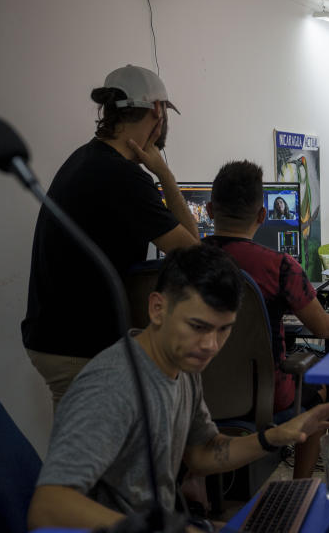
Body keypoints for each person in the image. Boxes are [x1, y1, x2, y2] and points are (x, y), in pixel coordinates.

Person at [28, 244, 329, 530]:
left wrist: (274, 437)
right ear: (157, 309)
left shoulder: (184, 365)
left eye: (223, 330)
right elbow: (48, 507)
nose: (210, 345)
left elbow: (202, 453)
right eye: (198, 326)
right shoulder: (111, 386)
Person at [22, 65, 200, 408]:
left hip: (54, 338)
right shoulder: (122, 177)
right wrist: (164, 173)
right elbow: (194, 253)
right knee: (98, 457)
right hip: (78, 347)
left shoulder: (85, 158)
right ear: (158, 112)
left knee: (87, 452)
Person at [205, 160, 329, 477]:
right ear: (262, 215)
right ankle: (300, 487)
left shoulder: (188, 260)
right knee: (321, 387)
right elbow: (324, 328)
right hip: (267, 396)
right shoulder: (281, 266)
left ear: (211, 210)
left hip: (197, 391)